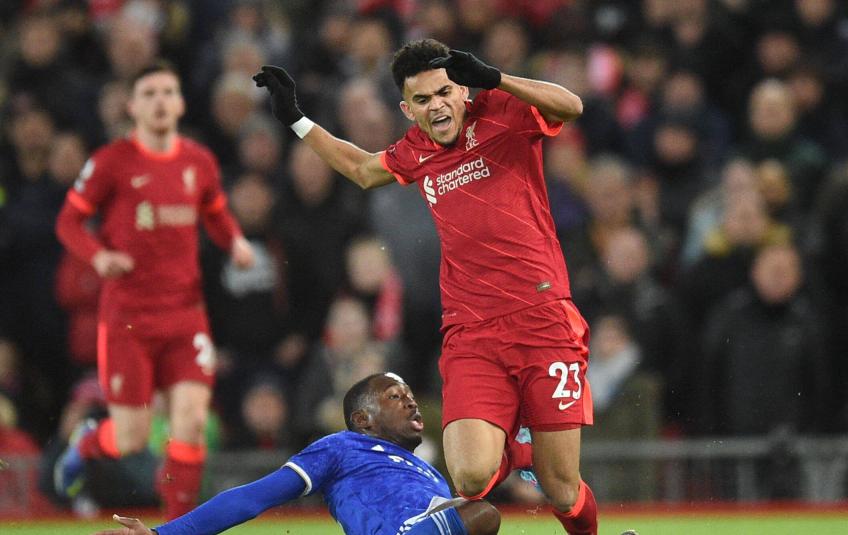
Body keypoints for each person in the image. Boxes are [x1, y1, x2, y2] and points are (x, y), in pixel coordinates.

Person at [253, 38, 599, 534]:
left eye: (443, 92)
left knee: (560, 486)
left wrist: (496, 77)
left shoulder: (501, 112)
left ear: (461, 92)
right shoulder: (416, 149)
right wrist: (296, 119)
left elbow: (572, 105)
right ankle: (518, 445)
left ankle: (535, 459)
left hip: (543, 319)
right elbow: (361, 168)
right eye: (422, 99)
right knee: (470, 478)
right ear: (407, 110)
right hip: (471, 331)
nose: (436, 105)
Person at [53, 61, 255, 519]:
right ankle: (87, 442)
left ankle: (176, 524)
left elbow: (215, 213)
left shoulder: (199, 162)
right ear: (132, 106)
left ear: (181, 104)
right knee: (132, 438)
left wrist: (235, 242)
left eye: (168, 92)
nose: (160, 101)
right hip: (128, 317)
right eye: (149, 93)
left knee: (191, 421)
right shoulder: (111, 162)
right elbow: (68, 221)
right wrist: (98, 257)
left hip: (185, 314)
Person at [92, 373, 502, 535]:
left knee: (476, 511)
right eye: (395, 397)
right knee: (482, 513)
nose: (411, 402)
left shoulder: (430, 472)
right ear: (362, 420)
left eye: (411, 395)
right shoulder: (343, 446)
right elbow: (253, 497)